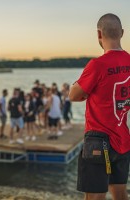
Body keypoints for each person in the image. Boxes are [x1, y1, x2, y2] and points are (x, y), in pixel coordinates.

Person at [69, 13, 130, 200]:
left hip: (98, 141)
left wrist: (87, 91)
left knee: (94, 198)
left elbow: (73, 95)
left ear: (98, 34)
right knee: (121, 195)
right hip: (123, 139)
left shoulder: (97, 65)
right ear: (122, 33)